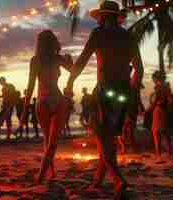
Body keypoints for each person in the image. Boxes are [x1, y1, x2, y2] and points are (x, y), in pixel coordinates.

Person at [66, 1, 144, 198]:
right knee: (108, 136)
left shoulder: (98, 34)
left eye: (99, 17)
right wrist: (132, 92)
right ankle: (98, 181)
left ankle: (118, 179)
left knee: (102, 135)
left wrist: (69, 83)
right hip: (123, 91)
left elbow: (82, 60)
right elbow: (139, 69)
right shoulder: (128, 36)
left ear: (103, 16)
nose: (98, 19)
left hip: (105, 90)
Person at [22, 30, 74, 183]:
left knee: (47, 139)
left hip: (43, 100)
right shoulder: (57, 58)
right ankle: (45, 174)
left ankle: (45, 174)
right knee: (52, 142)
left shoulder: (35, 60)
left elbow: (30, 86)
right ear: (53, 42)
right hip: (58, 100)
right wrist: (69, 62)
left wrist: (25, 109)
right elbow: (74, 70)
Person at [148, 71, 171, 156]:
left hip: (158, 110)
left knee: (156, 132)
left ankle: (158, 153)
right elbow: (170, 101)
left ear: (156, 78)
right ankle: (170, 152)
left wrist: (147, 110)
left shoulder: (158, 87)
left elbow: (155, 101)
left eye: (153, 78)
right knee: (164, 132)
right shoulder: (167, 87)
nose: (153, 80)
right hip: (164, 110)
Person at [0, 77, 17, 142]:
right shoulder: (4, 88)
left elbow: (12, 96)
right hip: (7, 106)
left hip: (8, 106)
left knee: (0, 122)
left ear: (2, 81)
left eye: (0, 81)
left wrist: (10, 106)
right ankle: (6, 138)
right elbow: (5, 96)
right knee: (7, 121)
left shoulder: (9, 86)